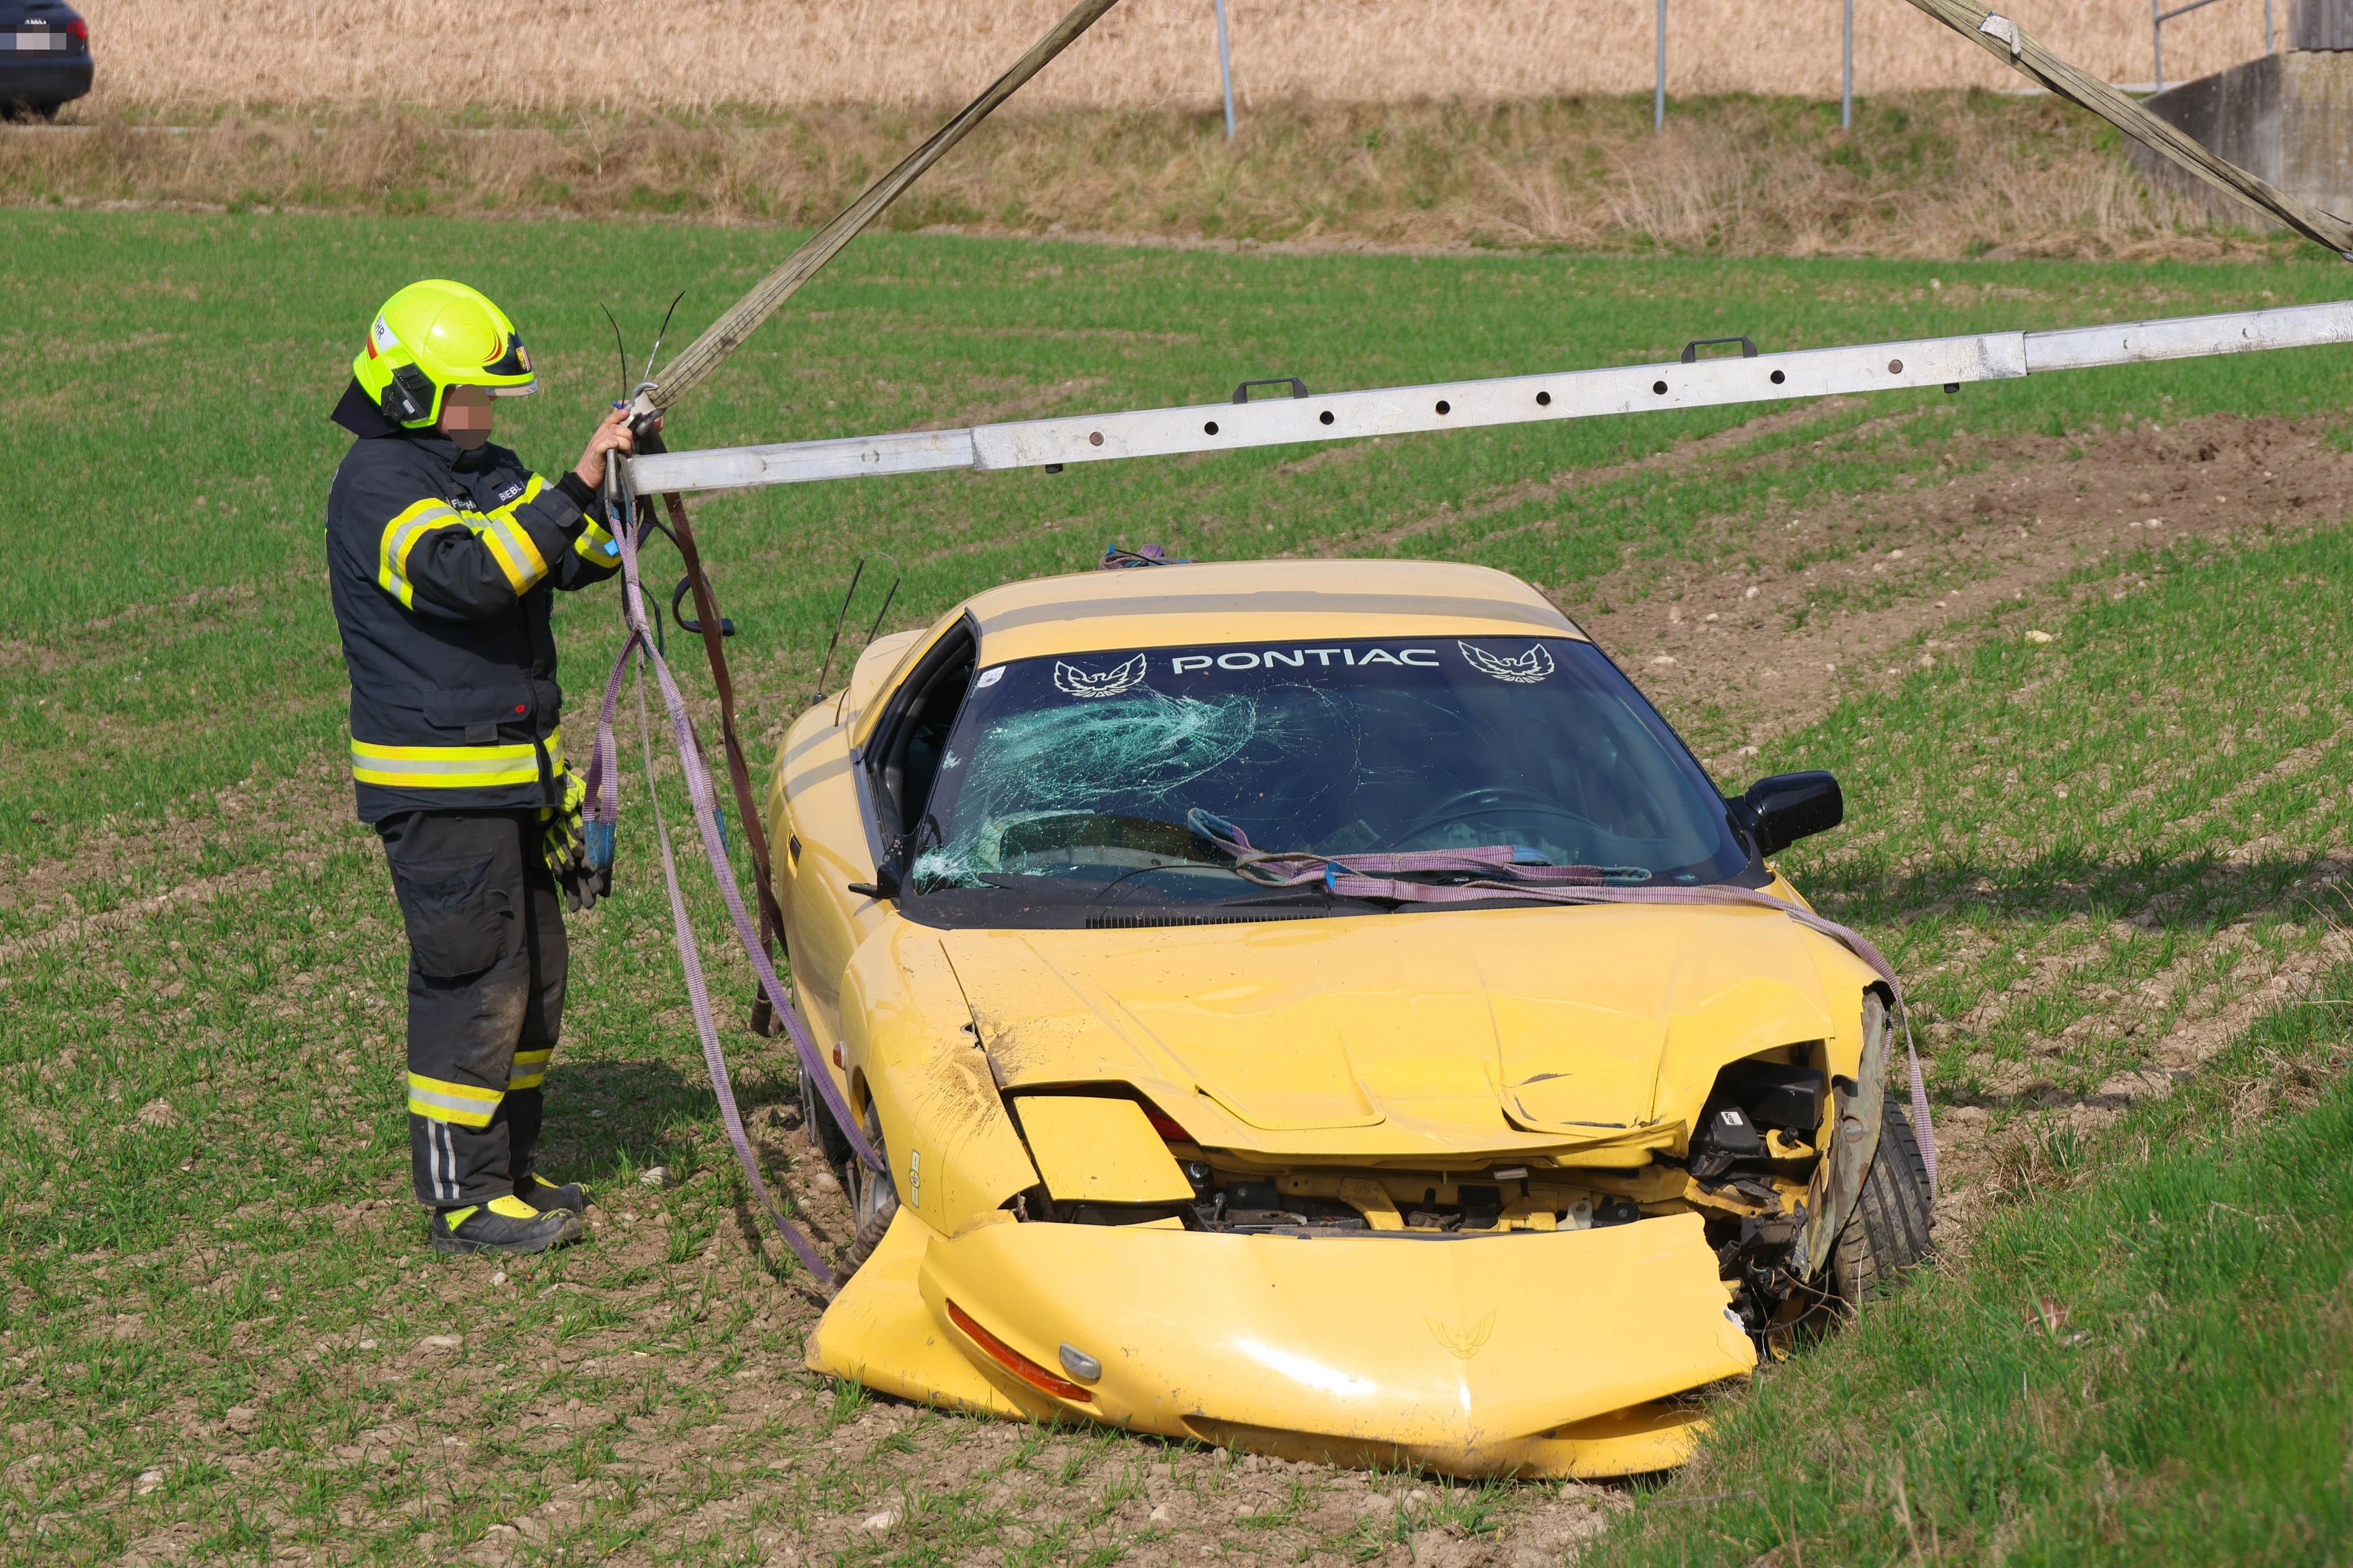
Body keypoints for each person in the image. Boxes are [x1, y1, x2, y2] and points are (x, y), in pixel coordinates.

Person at [325, 279, 648, 1256]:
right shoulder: (377, 485)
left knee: (535, 978)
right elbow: (468, 576)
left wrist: (625, 487)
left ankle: (508, 1169)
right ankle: (462, 1200)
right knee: (474, 980)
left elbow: (573, 555)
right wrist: (574, 484)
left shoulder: (487, 468)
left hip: (513, 774)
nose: (488, 412)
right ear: (414, 391)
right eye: (473, 394)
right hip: (440, 785)